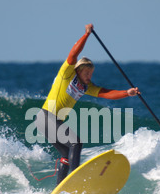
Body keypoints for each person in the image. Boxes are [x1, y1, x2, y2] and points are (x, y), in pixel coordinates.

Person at [36, 23, 140, 185]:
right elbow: (73, 54)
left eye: (91, 74)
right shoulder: (67, 73)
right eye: (87, 73)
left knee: (66, 154)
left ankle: (61, 189)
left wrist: (127, 93)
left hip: (53, 121)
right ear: (79, 70)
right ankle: (74, 180)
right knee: (76, 142)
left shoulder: (85, 86)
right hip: (46, 117)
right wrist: (86, 35)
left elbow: (106, 93)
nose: (89, 76)